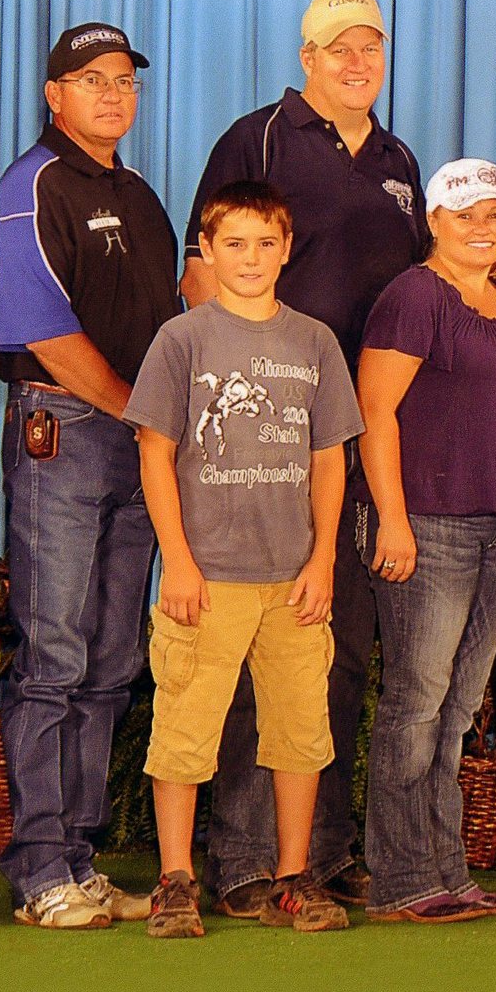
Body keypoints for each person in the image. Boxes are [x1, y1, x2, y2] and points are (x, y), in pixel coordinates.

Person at [183, 0, 425, 917]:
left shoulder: (400, 160)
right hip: (266, 428)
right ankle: (240, 857)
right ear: (307, 56)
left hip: (359, 430)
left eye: (370, 47)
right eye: (338, 49)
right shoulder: (261, 140)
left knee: (339, 648)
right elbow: (204, 272)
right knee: (253, 642)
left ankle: (318, 853)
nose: (357, 63)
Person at [126, 182, 364, 938]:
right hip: (210, 576)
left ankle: (292, 878)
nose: (252, 258)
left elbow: (332, 461)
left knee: (300, 731)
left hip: (292, 579)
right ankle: (174, 879)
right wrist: (180, 562)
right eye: (235, 243)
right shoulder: (182, 340)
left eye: (266, 243)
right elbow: (155, 456)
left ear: (287, 249)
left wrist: (323, 559)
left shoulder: (315, 342)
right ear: (206, 250)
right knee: (185, 728)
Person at [0, 23, 179, 929]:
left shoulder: (137, 194)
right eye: (91, 79)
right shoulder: (30, 188)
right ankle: (37, 869)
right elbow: (42, 331)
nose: (112, 94)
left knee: (110, 659)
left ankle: (79, 856)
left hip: (139, 443)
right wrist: (141, 415)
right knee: (55, 654)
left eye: (125, 80)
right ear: (53, 94)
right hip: (63, 431)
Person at [355, 160, 496, 923]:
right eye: (464, 214)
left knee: (459, 706)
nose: (481, 227)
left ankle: (447, 872)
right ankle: (404, 880)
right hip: (430, 522)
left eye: (494, 215)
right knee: (418, 700)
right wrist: (392, 518)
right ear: (432, 221)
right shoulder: (413, 297)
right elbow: (376, 411)